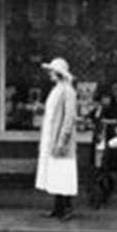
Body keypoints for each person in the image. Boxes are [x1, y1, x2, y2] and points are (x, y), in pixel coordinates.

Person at [35, 57, 78, 221]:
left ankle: (67, 207)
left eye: (52, 71)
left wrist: (62, 140)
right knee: (55, 173)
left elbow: (69, 117)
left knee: (64, 173)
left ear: (59, 73)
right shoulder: (57, 89)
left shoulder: (68, 91)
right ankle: (58, 207)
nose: (50, 74)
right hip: (51, 137)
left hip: (61, 140)